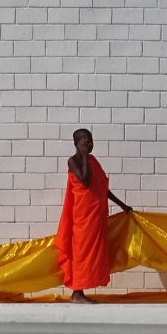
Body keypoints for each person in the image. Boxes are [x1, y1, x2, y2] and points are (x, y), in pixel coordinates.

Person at [53, 128, 133, 304]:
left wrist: (122, 205)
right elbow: (85, 180)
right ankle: (77, 293)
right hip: (83, 217)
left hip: (96, 216)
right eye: (85, 142)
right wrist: (82, 155)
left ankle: (80, 292)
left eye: (91, 141)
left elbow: (102, 188)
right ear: (77, 144)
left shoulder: (92, 160)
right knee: (82, 252)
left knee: (93, 253)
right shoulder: (73, 161)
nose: (89, 144)